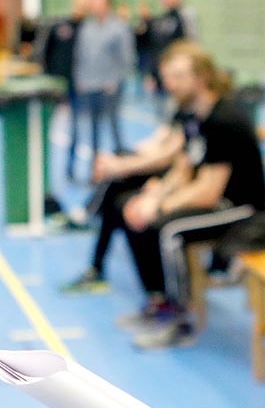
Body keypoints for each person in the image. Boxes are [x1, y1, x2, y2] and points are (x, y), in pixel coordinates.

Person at [119, 41, 265, 351]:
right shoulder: (193, 115)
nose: (169, 84)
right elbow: (184, 168)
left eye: (178, 77)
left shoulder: (224, 118)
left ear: (201, 78)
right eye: (168, 77)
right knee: (137, 210)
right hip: (215, 200)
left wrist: (159, 207)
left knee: (169, 229)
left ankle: (180, 321)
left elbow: (209, 191)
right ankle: (159, 302)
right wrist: (155, 196)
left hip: (241, 207)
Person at [58, 83, 195, 295]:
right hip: (165, 171)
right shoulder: (182, 109)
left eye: (178, 77)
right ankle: (97, 264)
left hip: (172, 176)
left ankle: (88, 220)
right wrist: (125, 158)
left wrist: (125, 166)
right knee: (115, 189)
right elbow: (160, 139)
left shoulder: (201, 116)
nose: (170, 83)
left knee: (122, 196)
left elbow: (171, 156)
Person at [71, 0, 132, 176]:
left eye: (98, 2)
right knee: (92, 128)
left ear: (107, 5)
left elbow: (127, 57)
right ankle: (95, 170)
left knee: (114, 125)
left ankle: (122, 165)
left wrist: (116, 80)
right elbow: (80, 55)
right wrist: (80, 79)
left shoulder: (119, 27)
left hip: (110, 87)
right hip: (89, 85)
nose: (94, 6)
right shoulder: (87, 28)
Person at [36, 0, 87, 182]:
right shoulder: (59, 26)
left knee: (76, 130)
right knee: (47, 128)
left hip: (79, 87)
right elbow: (45, 53)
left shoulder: (89, 29)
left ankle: (71, 169)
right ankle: (43, 172)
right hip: (55, 87)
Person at [139, 0, 196, 98]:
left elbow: (191, 47)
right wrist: (152, 75)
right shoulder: (161, 18)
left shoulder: (185, 15)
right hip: (160, 81)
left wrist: (182, 78)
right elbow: (154, 49)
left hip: (177, 82)